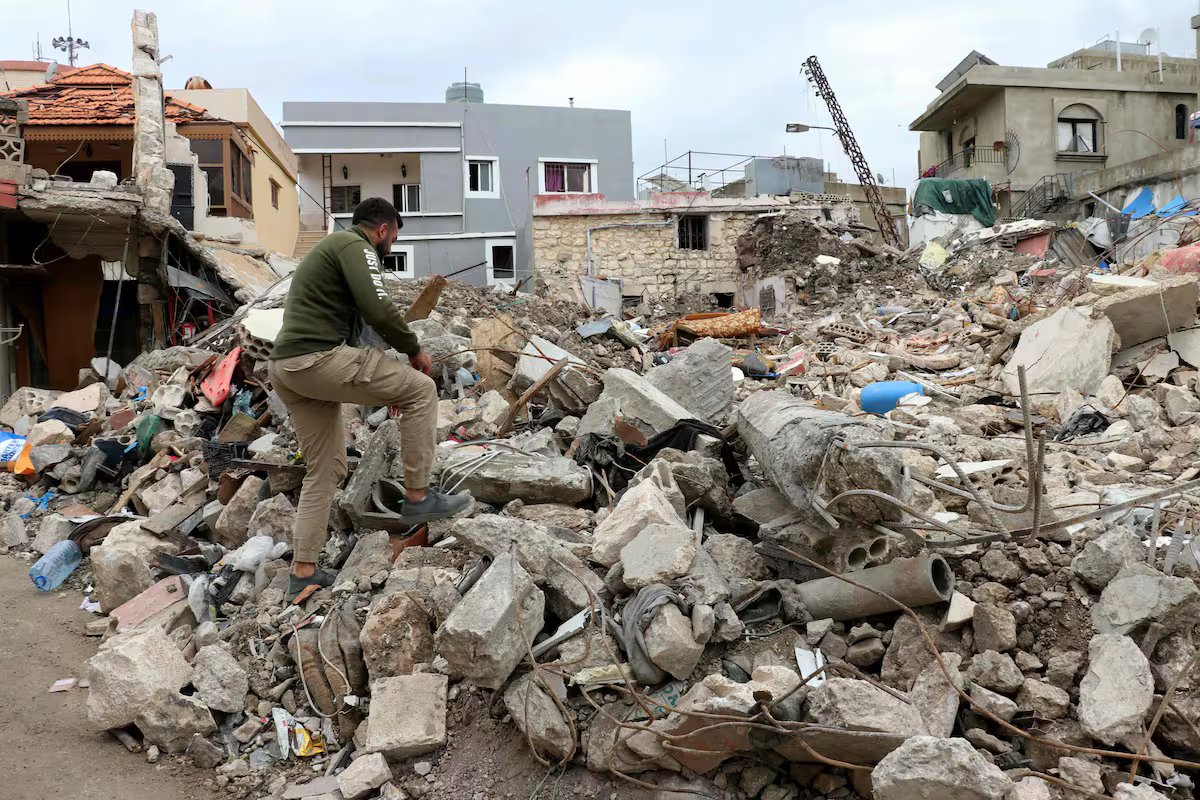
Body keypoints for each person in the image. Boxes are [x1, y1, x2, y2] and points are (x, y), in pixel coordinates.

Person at [269, 197, 469, 600]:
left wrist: (384, 386)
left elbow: (360, 329)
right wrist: (413, 350)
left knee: (326, 469)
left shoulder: (335, 251)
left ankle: (303, 572)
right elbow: (378, 308)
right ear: (382, 229)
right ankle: (418, 497)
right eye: (393, 237)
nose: (392, 245)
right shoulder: (355, 246)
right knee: (422, 389)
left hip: (288, 367)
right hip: (316, 358)